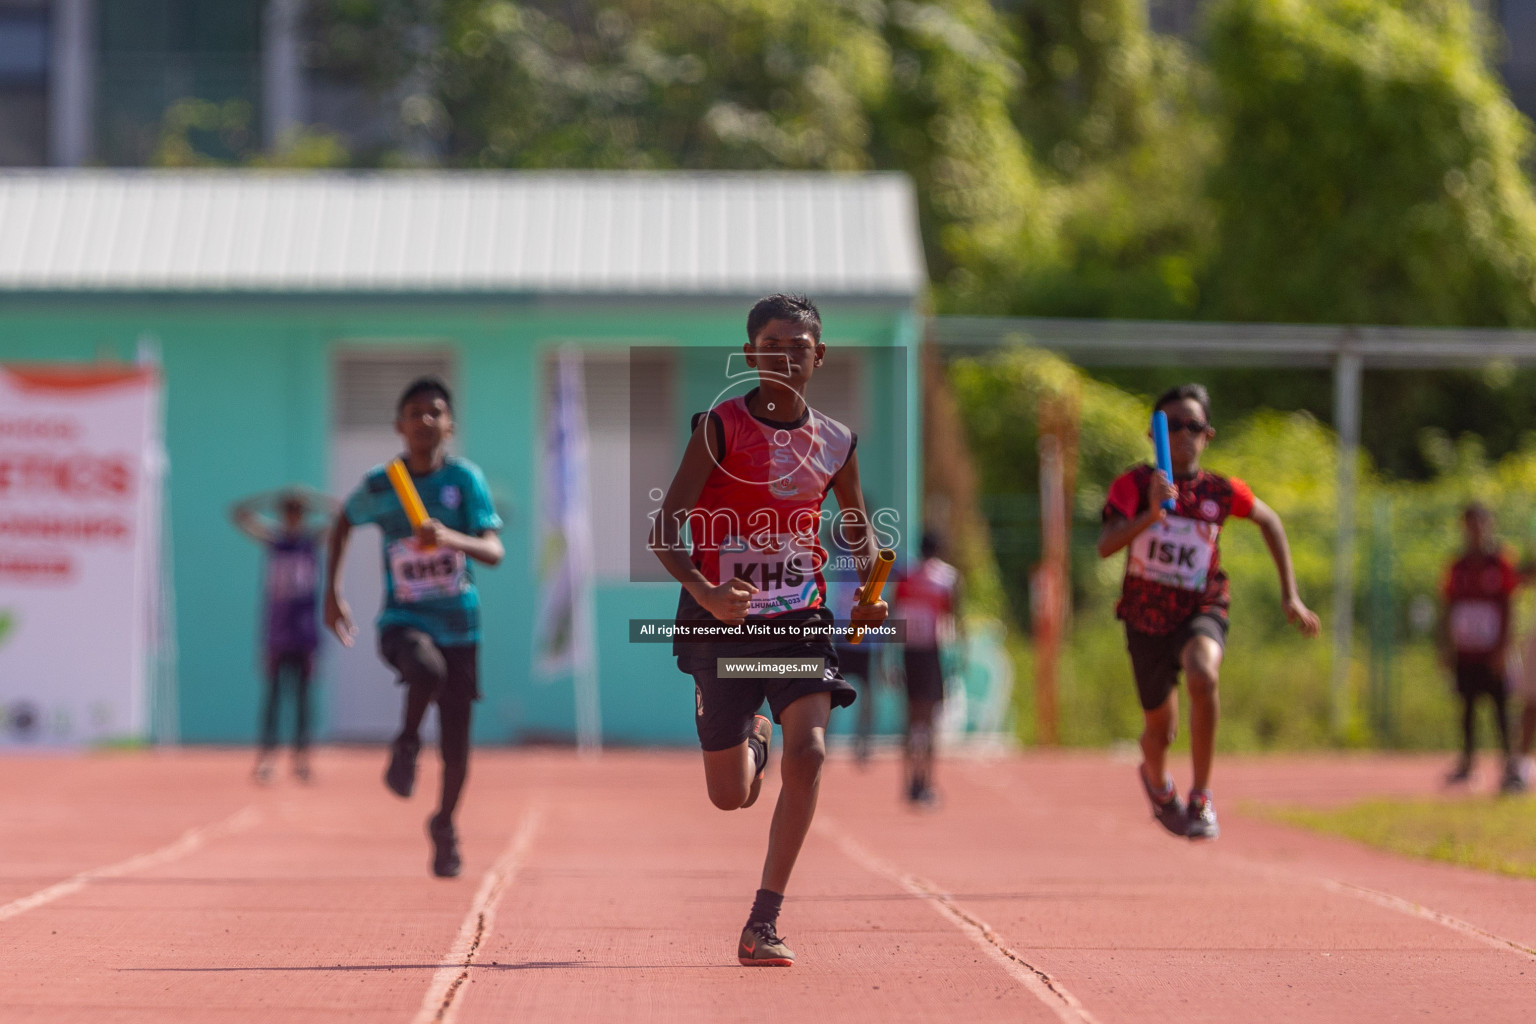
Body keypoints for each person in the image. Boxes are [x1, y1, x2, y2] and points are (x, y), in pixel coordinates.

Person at [651, 293, 888, 967]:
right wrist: (707, 591)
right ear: (751, 355)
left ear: (820, 355)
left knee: (809, 754)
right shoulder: (720, 429)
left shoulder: (837, 442)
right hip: (720, 628)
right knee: (730, 797)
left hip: (798, 623)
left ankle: (764, 920)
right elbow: (664, 531)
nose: (787, 356)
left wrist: (870, 592)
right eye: (773, 345)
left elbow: (857, 532)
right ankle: (751, 738)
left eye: (800, 345)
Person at [1097, 384, 1320, 841]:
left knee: (1204, 674)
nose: (1183, 435)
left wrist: (1290, 594)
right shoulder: (1135, 485)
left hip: (1201, 604)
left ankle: (1201, 795)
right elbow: (1105, 545)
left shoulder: (1220, 491)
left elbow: (1270, 520)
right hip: (1146, 616)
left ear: (1208, 435)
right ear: (1154, 433)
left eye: (1193, 426)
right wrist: (1150, 516)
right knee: (1160, 730)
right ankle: (1158, 784)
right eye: (1173, 425)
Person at [324, 377, 504, 878]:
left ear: (450, 425)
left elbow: (493, 551)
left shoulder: (465, 480)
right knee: (425, 669)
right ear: (399, 425)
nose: (425, 420)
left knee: (457, 746)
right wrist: (331, 591)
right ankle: (405, 743)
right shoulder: (384, 484)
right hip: (403, 622)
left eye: (436, 412)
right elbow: (342, 520)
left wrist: (449, 537)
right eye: (415, 412)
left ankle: (444, 824)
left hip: (461, 625)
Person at [229, 488, 334, 784]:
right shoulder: (274, 539)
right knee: (273, 700)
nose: (291, 518)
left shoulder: (310, 541)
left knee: (303, 701)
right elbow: (238, 513)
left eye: (297, 513)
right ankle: (266, 759)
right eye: (287, 512)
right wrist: (271, 497)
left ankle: (302, 759)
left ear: (303, 515)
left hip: (305, 635)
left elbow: (342, 516)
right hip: (277, 633)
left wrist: (313, 498)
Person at [1439, 502, 1524, 794]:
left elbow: (1510, 605)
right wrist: (1446, 645)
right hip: (1466, 649)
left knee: (1501, 708)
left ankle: (1510, 767)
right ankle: (1467, 764)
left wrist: (1504, 647)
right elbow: (1448, 605)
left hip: (1493, 650)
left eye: (1480, 524)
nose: (1475, 531)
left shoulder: (1500, 562)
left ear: (1489, 525)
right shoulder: (1457, 565)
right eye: (1470, 524)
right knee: (1467, 707)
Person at [893, 530, 961, 806]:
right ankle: (927, 783)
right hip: (932, 653)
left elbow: (894, 620)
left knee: (911, 721)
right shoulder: (947, 579)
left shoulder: (905, 576)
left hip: (909, 652)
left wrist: (889, 660)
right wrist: (958, 658)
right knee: (930, 722)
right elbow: (954, 619)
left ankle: (909, 783)